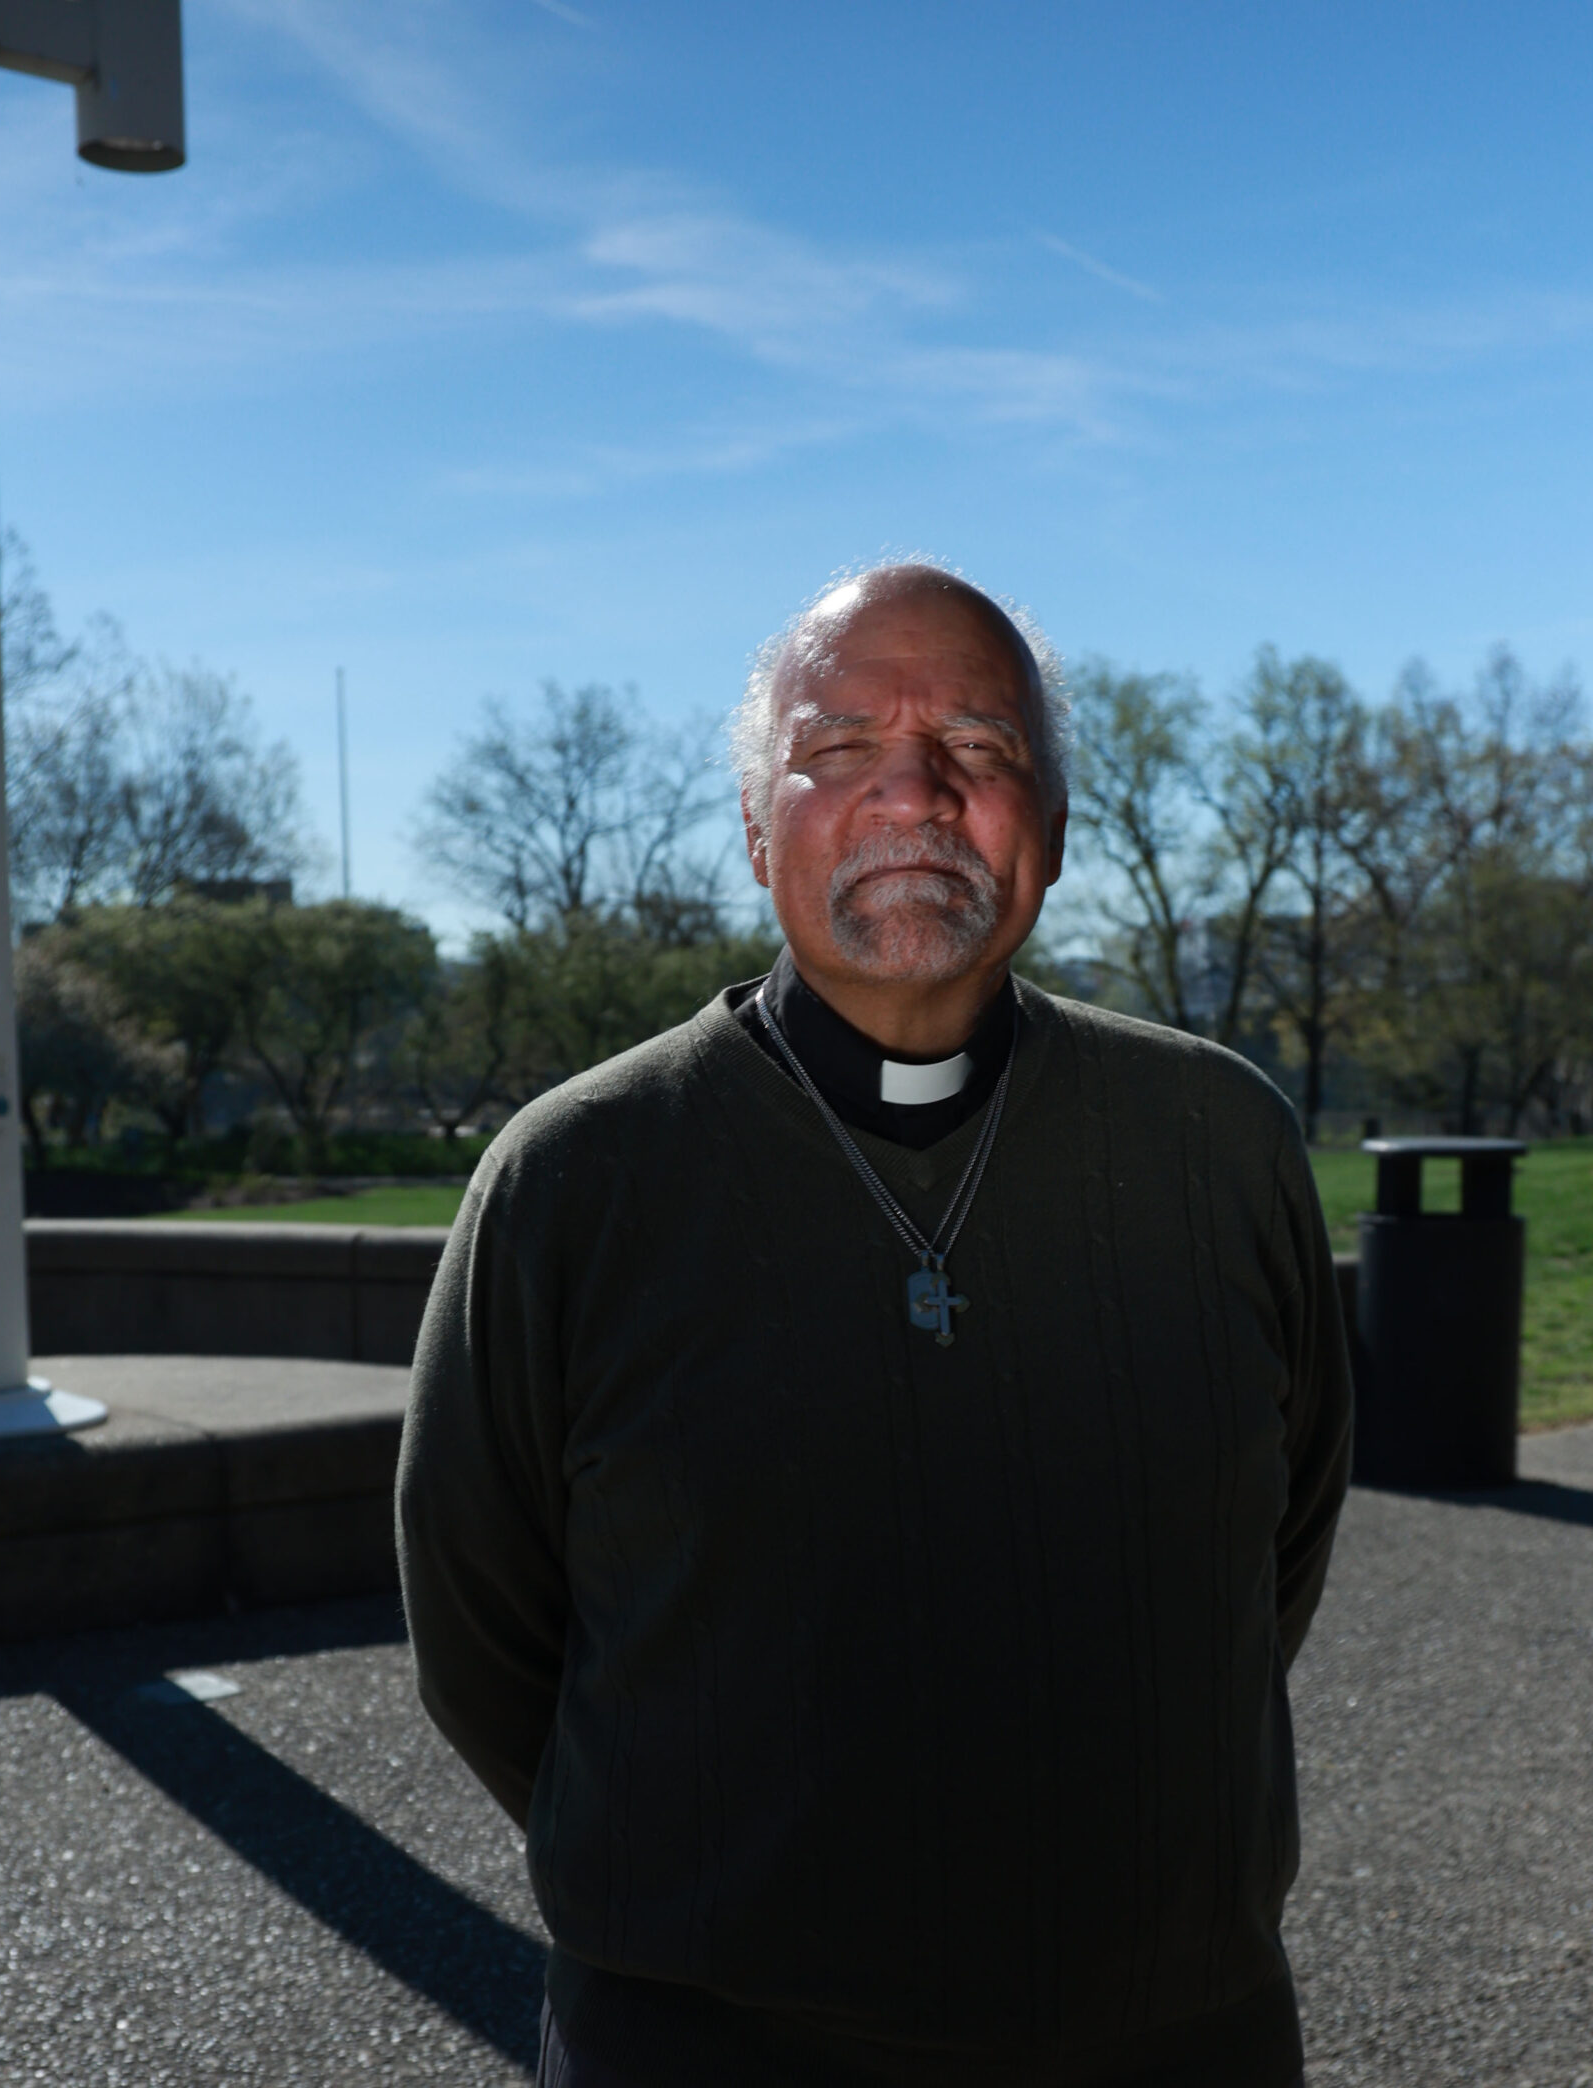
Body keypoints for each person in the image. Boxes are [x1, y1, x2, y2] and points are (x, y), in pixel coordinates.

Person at [398, 563, 1353, 2087]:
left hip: (1173, 2035)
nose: (914, 792)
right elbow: (483, 1636)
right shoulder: (577, 1178)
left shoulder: (1218, 1146)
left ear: (1051, 819)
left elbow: (1273, 1556)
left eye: (980, 748)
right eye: (840, 749)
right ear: (755, 825)